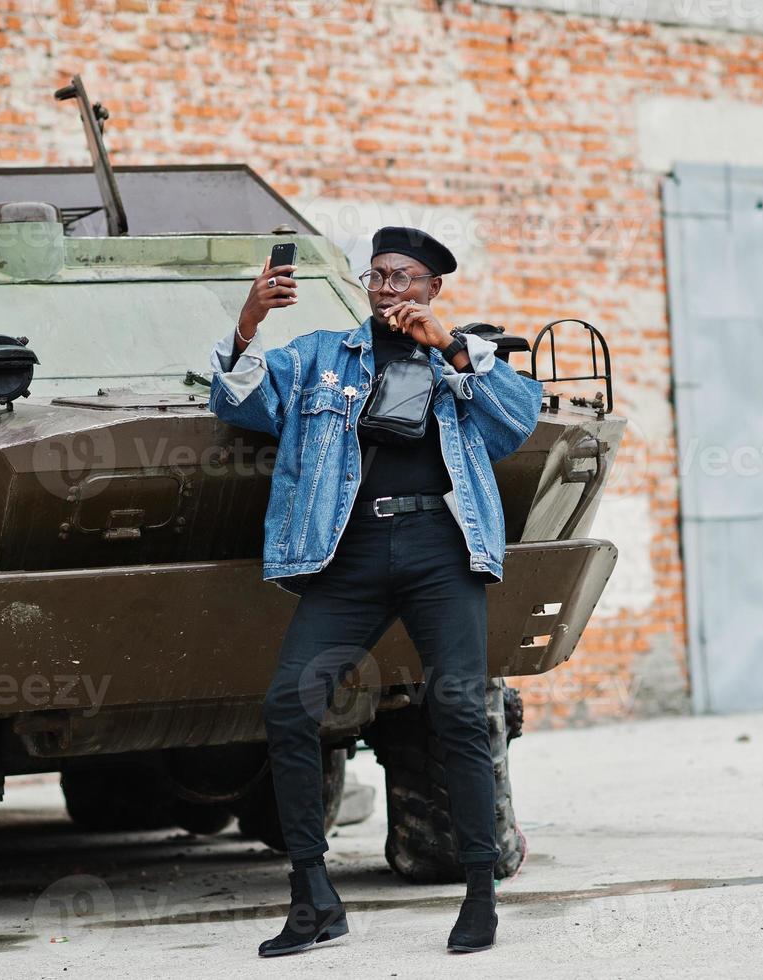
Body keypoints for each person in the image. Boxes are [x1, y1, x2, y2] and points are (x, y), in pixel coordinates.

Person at [207, 226, 543, 957]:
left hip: (438, 551)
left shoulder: (463, 355)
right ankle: (312, 898)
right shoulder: (322, 355)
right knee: (288, 706)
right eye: (379, 275)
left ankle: (481, 893)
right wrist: (249, 321)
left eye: (404, 277)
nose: (388, 288)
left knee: (456, 709)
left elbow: (517, 420)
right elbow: (239, 404)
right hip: (348, 551)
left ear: (432, 289)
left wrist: (448, 346)